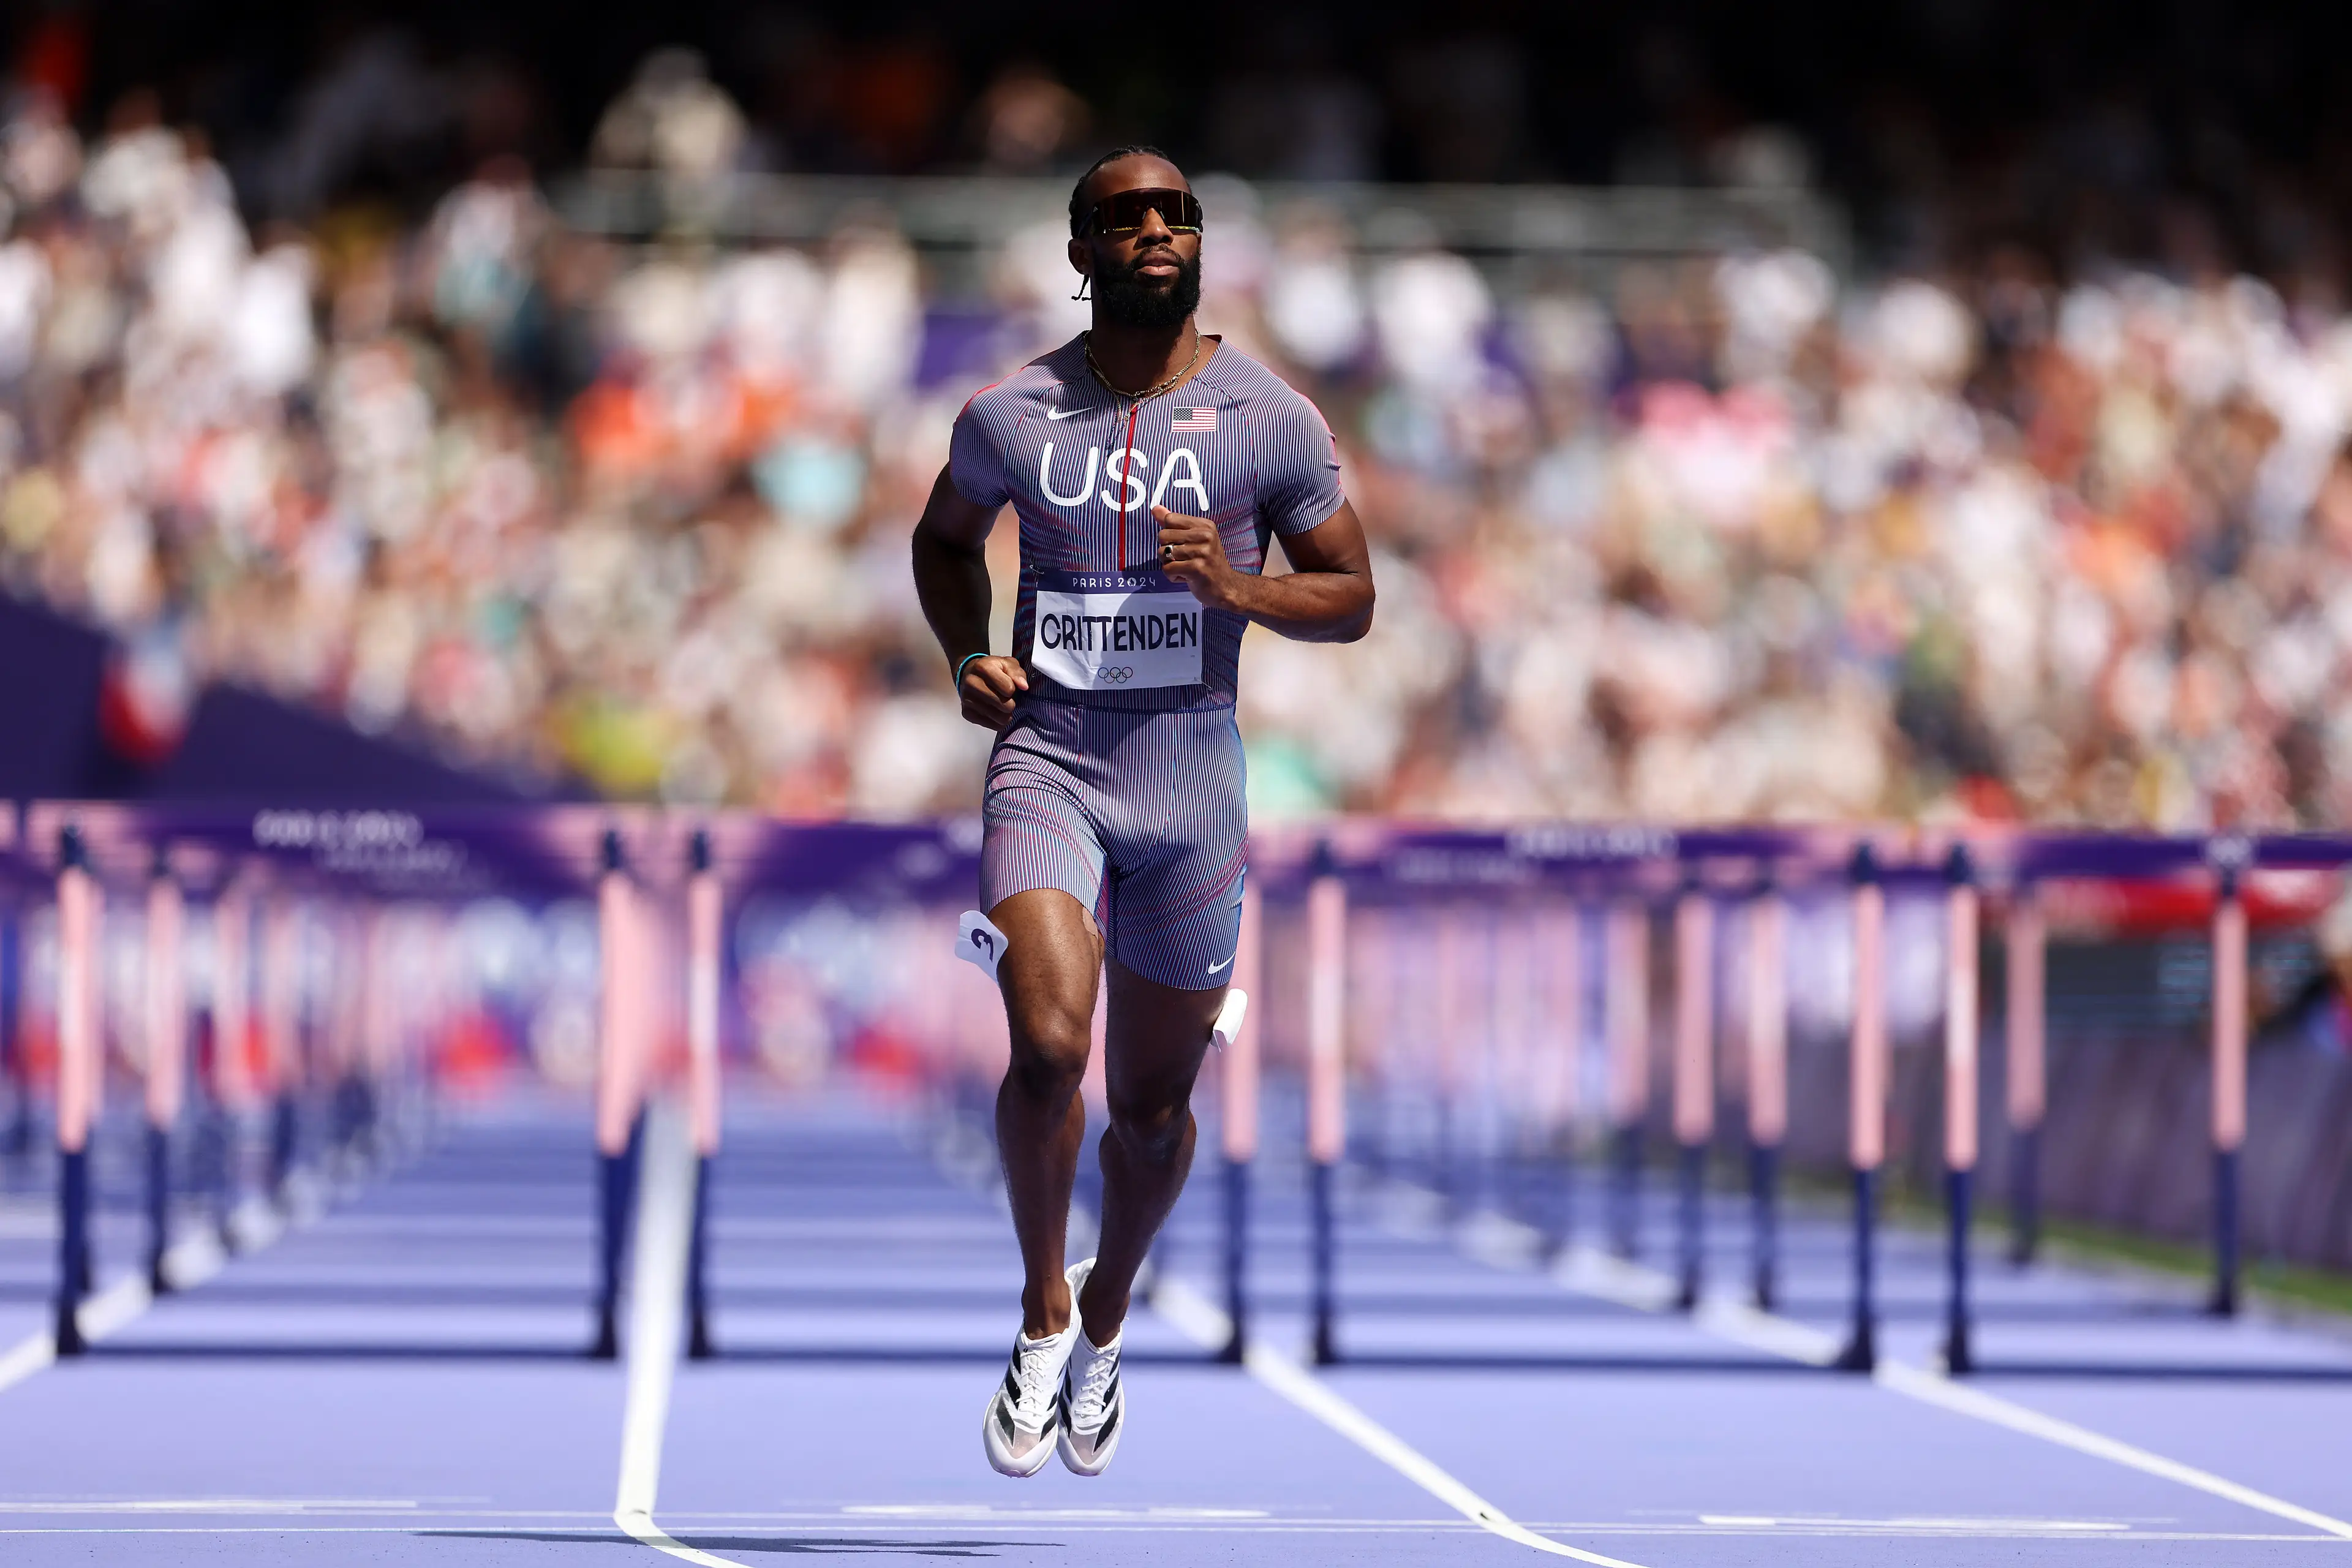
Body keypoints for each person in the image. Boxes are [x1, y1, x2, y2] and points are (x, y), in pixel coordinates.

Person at [911, 146, 1375, 1477]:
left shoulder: (1268, 418)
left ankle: (1111, 1306)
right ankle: (1044, 1303)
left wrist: (1241, 594)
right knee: (1050, 1045)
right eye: (1127, 215)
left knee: (1152, 1108)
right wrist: (966, 654)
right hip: (1047, 761)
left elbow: (1350, 593)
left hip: (1191, 789)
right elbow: (945, 544)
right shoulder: (1010, 414)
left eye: (1177, 213)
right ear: (1081, 250)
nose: (1156, 230)